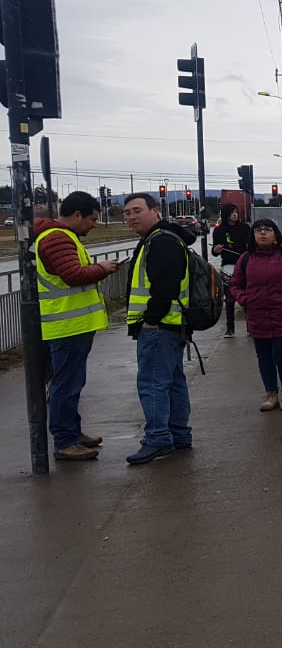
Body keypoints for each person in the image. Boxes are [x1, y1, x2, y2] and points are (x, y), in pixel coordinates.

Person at [35, 191, 119, 461]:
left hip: (70, 324)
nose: (94, 225)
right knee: (67, 384)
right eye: (92, 219)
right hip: (67, 325)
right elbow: (72, 275)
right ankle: (65, 440)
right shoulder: (58, 237)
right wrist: (102, 268)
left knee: (71, 382)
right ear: (77, 215)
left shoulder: (60, 236)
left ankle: (71, 431)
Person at [122, 192, 197, 465]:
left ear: (155, 211)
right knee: (173, 382)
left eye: (137, 210)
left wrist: (151, 319)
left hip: (159, 327)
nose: (131, 217)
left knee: (153, 384)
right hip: (171, 325)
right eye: (127, 212)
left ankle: (157, 438)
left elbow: (165, 285)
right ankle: (179, 434)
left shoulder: (161, 241)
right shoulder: (165, 238)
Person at [230, 218, 282, 411]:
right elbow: (235, 284)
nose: (262, 233)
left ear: (275, 234)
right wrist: (244, 299)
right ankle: (271, 393)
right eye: (258, 230)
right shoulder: (245, 259)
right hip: (257, 317)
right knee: (264, 358)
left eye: (267, 230)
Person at [212, 203, 252, 338]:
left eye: (236, 212)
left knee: (247, 297)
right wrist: (215, 251)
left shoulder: (245, 228)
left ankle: (250, 327)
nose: (235, 215)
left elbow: (250, 246)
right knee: (229, 299)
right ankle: (230, 328)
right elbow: (215, 251)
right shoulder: (219, 230)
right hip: (228, 265)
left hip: (245, 264)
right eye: (232, 212)